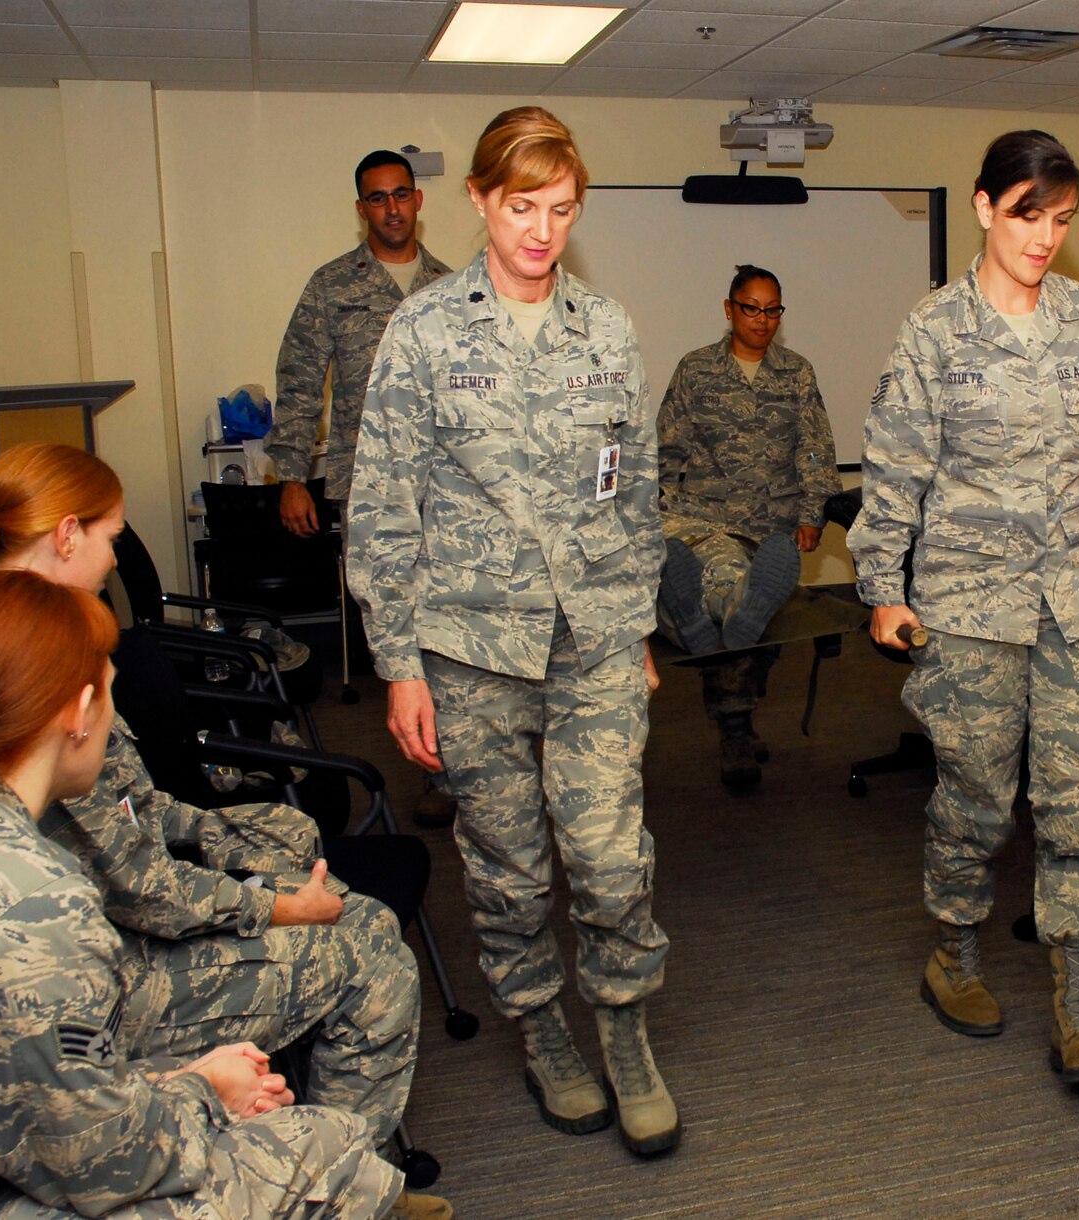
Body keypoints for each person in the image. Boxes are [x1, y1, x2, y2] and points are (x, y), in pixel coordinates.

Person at [0, 569, 425, 1219]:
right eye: (108, 692)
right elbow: (109, 1168)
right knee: (327, 1143)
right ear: (76, 712)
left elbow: (15, 1096)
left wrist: (168, 1088)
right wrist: (207, 1092)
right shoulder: (36, 909)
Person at [347, 106, 678, 1157]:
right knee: (508, 866)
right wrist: (397, 664)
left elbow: (634, 492)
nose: (541, 229)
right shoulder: (426, 332)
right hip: (469, 647)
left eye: (562, 209)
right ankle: (544, 1031)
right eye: (522, 205)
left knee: (610, 856)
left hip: (591, 641)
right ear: (482, 199)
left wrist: (633, 625)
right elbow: (383, 506)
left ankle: (624, 1033)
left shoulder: (608, 327)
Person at [0, 442, 424, 1155]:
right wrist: (280, 905)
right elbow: (139, 887)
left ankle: (301, 1145)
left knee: (297, 845)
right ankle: (338, 1172)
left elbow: (130, 813)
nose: (113, 559)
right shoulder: (48, 661)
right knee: (373, 947)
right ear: (68, 533)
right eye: (109, 538)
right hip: (102, 980)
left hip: (72, 948)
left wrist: (240, 846)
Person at [848, 130, 1079, 1093]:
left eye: (1063, 218)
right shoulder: (934, 332)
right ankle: (952, 954)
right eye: (1028, 214)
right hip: (969, 602)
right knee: (979, 799)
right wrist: (883, 589)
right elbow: (896, 469)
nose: (1045, 236)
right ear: (987, 208)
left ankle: (1075, 1004)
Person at [268, 150, 457, 828]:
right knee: (401, 629)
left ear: (417, 200)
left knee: (455, 627)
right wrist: (293, 476)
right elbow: (298, 382)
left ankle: (461, 769)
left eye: (401, 194)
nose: (392, 209)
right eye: (377, 198)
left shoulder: (454, 286)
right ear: (362, 208)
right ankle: (431, 762)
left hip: (453, 489)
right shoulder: (331, 287)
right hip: (373, 489)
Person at [655, 264, 839, 790]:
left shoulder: (796, 372)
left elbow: (815, 447)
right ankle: (734, 728)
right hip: (703, 517)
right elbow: (667, 449)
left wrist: (811, 515)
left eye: (772, 309)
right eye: (751, 308)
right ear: (729, 309)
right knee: (731, 591)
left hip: (770, 524)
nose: (763, 320)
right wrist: (656, 520)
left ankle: (733, 695)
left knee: (756, 633)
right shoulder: (696, 370)